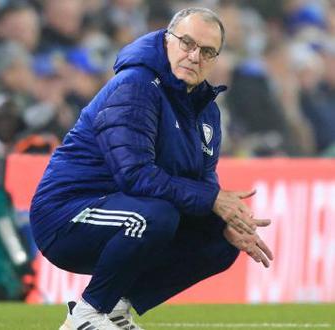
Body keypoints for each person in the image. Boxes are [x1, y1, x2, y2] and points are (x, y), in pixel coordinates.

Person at [29, 7, 274, 330]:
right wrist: (213, 200)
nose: (194, 55)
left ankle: (116, 307)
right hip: (65, 215)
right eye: (187, 43)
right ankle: (86, 315)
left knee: (220, 237)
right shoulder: (135, 85)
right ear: (166, 40)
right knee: (156, 215)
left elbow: (201, 186)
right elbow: (134, 175)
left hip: (128, 213)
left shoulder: (207, 113)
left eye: (207, 51)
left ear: (215, 60)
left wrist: (223, 219)